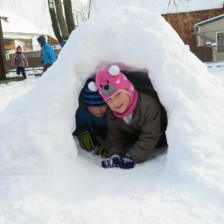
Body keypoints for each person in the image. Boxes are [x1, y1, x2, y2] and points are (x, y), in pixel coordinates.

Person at [91, 65, 164, 169]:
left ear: (128, 90)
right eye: (109, 99)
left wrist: (133, 157)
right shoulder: (112, 113)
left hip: (160, 128)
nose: (115, 103)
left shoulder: (148, 105)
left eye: (118, 94)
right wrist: (115, 156)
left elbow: (150, 135)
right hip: (136, 129)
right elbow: (115, 138)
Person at [73, 76, 109, 158]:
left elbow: (124, 130)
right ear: (86, 105)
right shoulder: (82, 113)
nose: (98, 111)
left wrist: (113, 142)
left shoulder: (113, 112)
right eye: (92, 107)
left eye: (102, 105)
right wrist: (81, 133)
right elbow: (77, 127)